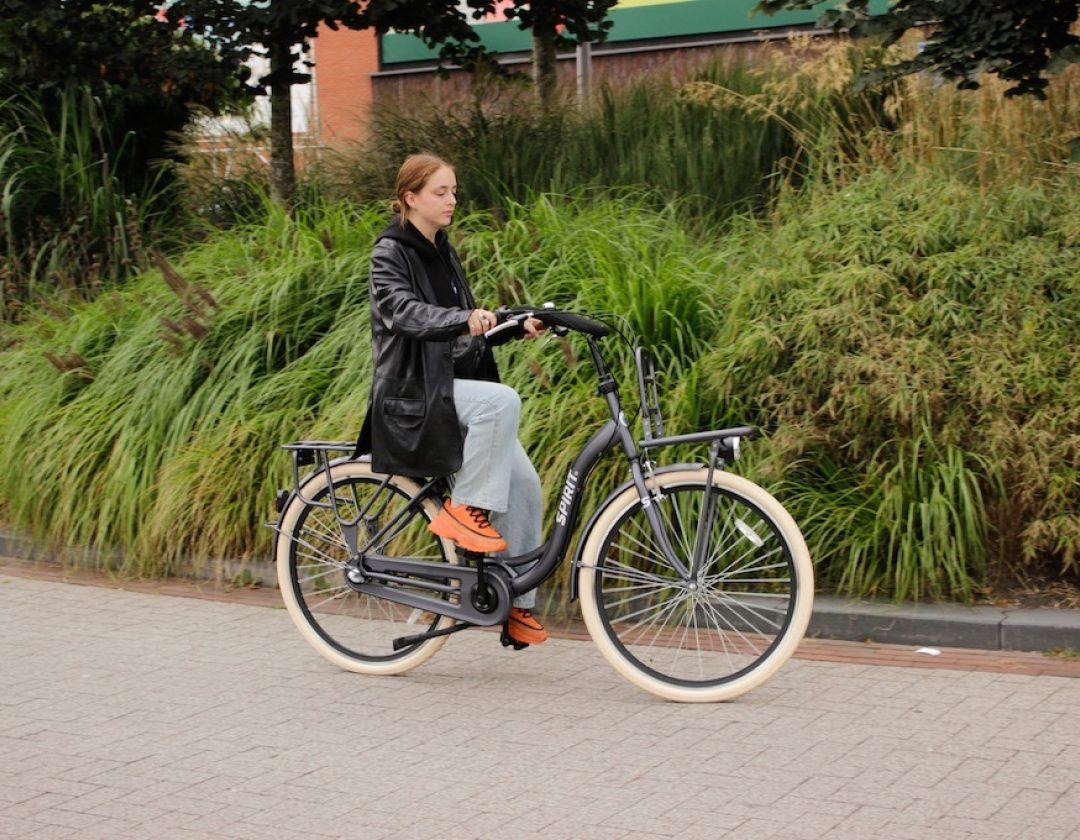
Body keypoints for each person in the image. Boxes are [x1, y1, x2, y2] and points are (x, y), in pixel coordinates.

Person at [355, 153, 549, 647]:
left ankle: (515, 607)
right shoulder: (390, 252)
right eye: (440, 192)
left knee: (525, 486)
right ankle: (466, 513)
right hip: (413, 395)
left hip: (448, 388)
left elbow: (464, 329)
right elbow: (404, 312)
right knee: (500, 401)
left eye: (455, 191)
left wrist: (511, 325)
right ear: (410, 198)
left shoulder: (442, 249)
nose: (451, 200)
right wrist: (463, 319)